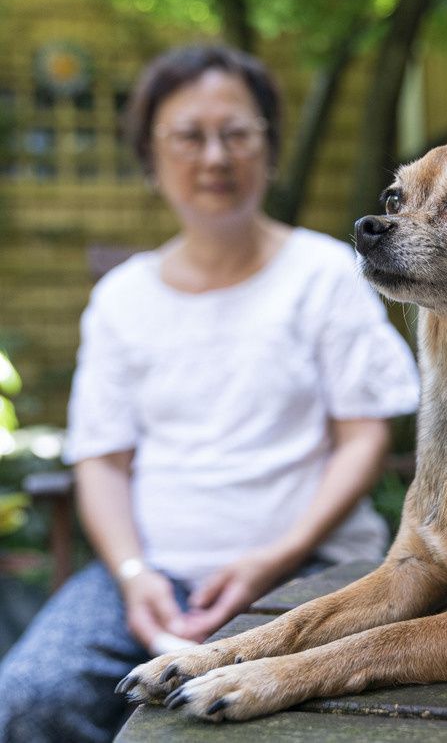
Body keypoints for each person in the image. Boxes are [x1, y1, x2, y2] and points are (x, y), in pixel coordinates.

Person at [0, 44, 419, 742]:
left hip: (311, 573)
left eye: (237, 134)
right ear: (150, 157)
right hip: (146, 580)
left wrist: (275, 556)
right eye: (189, 136)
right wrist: (133, 575)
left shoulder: (324, 275)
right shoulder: (120, 299)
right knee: (27, 699)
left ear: (269, 150)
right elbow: (101, 461)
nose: (215, 157)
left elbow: (364, 436)